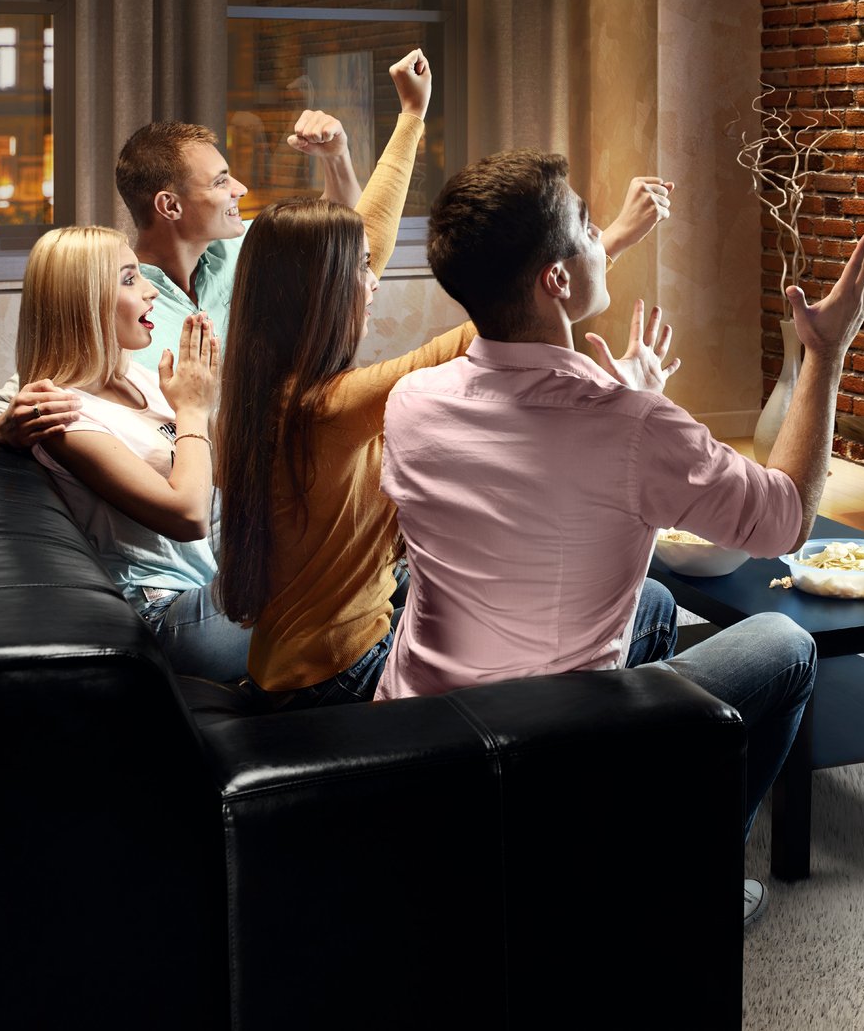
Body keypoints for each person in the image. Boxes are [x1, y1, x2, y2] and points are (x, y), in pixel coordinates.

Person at [374, 149, 864, 928]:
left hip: (414, 738)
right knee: (785, 643)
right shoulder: (631, 425)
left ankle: (631, 825)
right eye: (588, 224)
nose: (600, 234)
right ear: (554, 278)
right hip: (545, 753)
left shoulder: (411, 401)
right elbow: (784, 517)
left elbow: (542, 467)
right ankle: (689, 884)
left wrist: (624, 401)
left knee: (647, 597)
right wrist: (824, 352)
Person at [214, 57, 678, 707]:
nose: (374, 280)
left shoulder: (268, 391)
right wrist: (608, 245)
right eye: (361, 274)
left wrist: (411, 115)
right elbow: (482, 336)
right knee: (649, 605)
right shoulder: (326, 407)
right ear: (318, 295)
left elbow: (364, 240)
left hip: (300, 665)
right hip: (343, 677)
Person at [0, 90, 373, 449]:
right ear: (170, 206)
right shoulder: (119, 308)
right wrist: (2, 430)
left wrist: (336, 157)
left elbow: (338, 235)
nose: (240, 190)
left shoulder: (241, 249)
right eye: (220, 182)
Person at [12, 224, 243, 680]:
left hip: (208, 581)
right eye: (129, 279)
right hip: (169, 618)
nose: (152, 290)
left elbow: (216, 479)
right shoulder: (67, 418)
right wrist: (193, 412)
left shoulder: (135, 376)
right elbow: (188, 515)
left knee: (369, 569)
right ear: (83, 302)